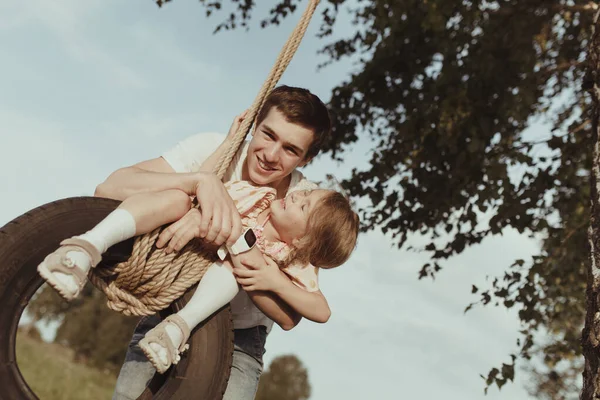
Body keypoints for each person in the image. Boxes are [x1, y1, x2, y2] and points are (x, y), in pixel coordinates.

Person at [90, 85, 341, 399]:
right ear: (253, 124)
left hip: (240, 339)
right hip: (168, 313)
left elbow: (290, 315)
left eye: (291, 150)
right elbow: (109, 189)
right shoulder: (214, 148)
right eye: (268, 135)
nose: (271, 155)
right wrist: (199, 183)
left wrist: (222, 233)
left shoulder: (304, 204)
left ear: (307, 158)